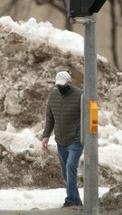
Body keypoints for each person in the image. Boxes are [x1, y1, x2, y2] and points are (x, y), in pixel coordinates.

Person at [42, 70, 83, 208]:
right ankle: (76, 200)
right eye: (58, 85)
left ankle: (71, 200)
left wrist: (88, 137)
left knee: (71, 166)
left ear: (70, 83)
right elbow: (50, 118)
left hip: (76, 139)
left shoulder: (81, 95)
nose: (60, 88)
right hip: (60, 140)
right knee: (65, 172)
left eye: (63, 85)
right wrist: (46, 136)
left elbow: (89, 117)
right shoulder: (53, 96)